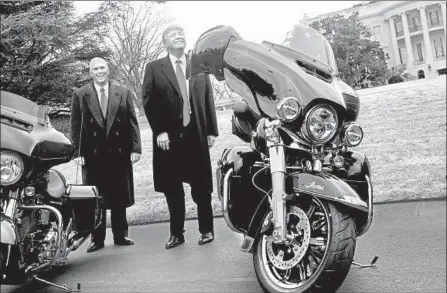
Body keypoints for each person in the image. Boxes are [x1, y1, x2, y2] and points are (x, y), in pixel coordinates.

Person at [142, 25, 219, 249]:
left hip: (196, 134)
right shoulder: (155, 68)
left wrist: (211, 130)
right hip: (169, 138)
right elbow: (149, 102)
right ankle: (177, 233)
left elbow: (208, 98)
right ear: (165, 43)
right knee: (173, 188)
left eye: (182, 34)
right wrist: (160, 131)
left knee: (202, 187)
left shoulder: (198, 65)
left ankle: (207, 230)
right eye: (173, 35)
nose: (180, 36)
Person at [70, 57, 142, 253]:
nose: (100, 71)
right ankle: (97, 239)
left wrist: (136, 148)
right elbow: (75, 125)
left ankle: (121, 235)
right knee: (96, 198)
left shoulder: (123, 92)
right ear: (90, 72)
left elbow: (132, 122)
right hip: (93, 155)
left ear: (108, 70)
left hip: (119, 152)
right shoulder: (80, 94)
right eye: (95, 69)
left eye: (103, 68)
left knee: (119, 195)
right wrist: (76, 152)